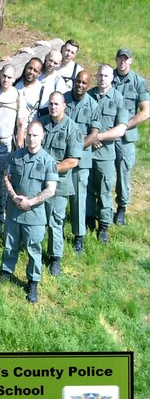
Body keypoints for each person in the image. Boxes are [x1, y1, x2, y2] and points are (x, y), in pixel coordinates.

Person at [0, 121, 58, 304]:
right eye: (29, 135)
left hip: (34, 215)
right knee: (9, 244)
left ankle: (33, 282)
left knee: (33, 249)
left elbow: (51, 189)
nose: (31, 138)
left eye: (35, 135)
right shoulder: (16, 156)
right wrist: (13, 197)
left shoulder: (48, 161)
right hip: (14, 211)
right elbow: (6, 176)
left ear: (42, 136)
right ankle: (6, 272)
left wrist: (31, 202)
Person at [39, 92, 82, 276]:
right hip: (38, 181)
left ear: (64, 105)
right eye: (51, 104)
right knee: (36, 218)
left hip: (59, 183)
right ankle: (31, 248)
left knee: (55, 221)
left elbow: (73, 161)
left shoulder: (72, 129)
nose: (53, 107)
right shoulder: (42, 123)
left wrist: (52, 170)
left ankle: (55, 258)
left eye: (57, 104)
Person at [87, 65, 128, 244]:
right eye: (100, 75)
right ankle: (88, 220)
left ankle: (104, 225)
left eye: (106, 76)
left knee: (104, 190)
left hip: (106, 154)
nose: (102, 78)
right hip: (87, 152)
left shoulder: (118, 99)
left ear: (112, 78)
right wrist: (90, 138)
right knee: (87, 190)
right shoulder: (88, 95)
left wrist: (99, 136)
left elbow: (120, 129)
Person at [0, 65, 27, 235]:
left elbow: (21, 122)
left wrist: (19, 144)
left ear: (13, 78)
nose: (6, 80)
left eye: (10, 77)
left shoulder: (17, 96)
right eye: (4, 76)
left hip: (5, 144)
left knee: (3, 184)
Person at [111, 47, 150, 226]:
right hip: (107, 135)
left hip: (125, 137)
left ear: (131, 60)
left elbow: (145, 111)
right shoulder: (108, 78)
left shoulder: (138, 82)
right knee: (103, 174)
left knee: (123, 173)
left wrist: (124, 126)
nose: (123, 62)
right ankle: (101, 208)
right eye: (120, 58)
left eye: (126, 59)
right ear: (116, 59)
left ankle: (121, 209)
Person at [64, 70, 99, 254]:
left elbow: (94, 134)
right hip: (61, 156)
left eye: (84, 83)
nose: (80, 85)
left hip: (81, 159)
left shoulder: (93, 105)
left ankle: (78, 236)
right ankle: (55, 229)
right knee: (57, 195)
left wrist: (76, 149)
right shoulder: (63, 99)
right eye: (78, 81)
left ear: (88, 84)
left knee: (78, 198)